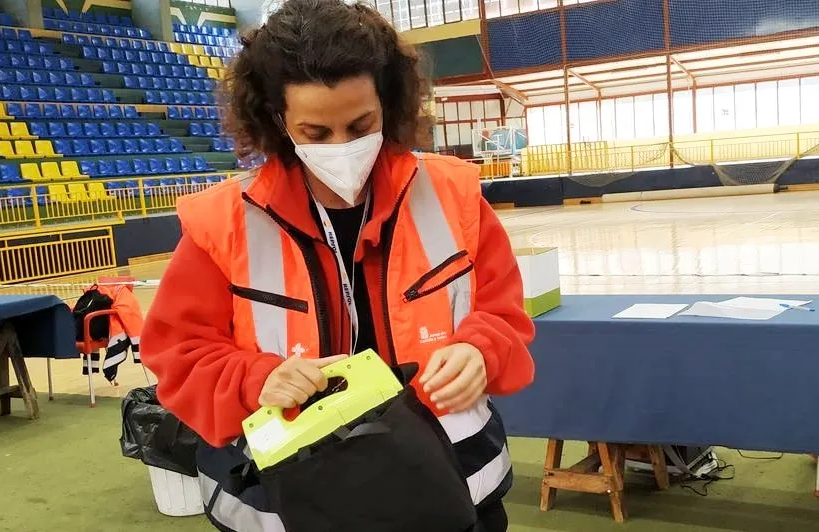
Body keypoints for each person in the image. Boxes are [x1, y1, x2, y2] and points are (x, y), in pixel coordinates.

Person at [141, 0, 535, 530]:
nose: (342, 148)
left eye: (360, 124)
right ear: (277, 121)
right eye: (316, 133)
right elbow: (179, 355)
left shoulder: (453, 196)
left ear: (388, 104)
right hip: (288, 503)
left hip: (450, 491)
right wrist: (256, 380)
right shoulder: (221, 224)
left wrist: (480, 350)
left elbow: (503, 314)